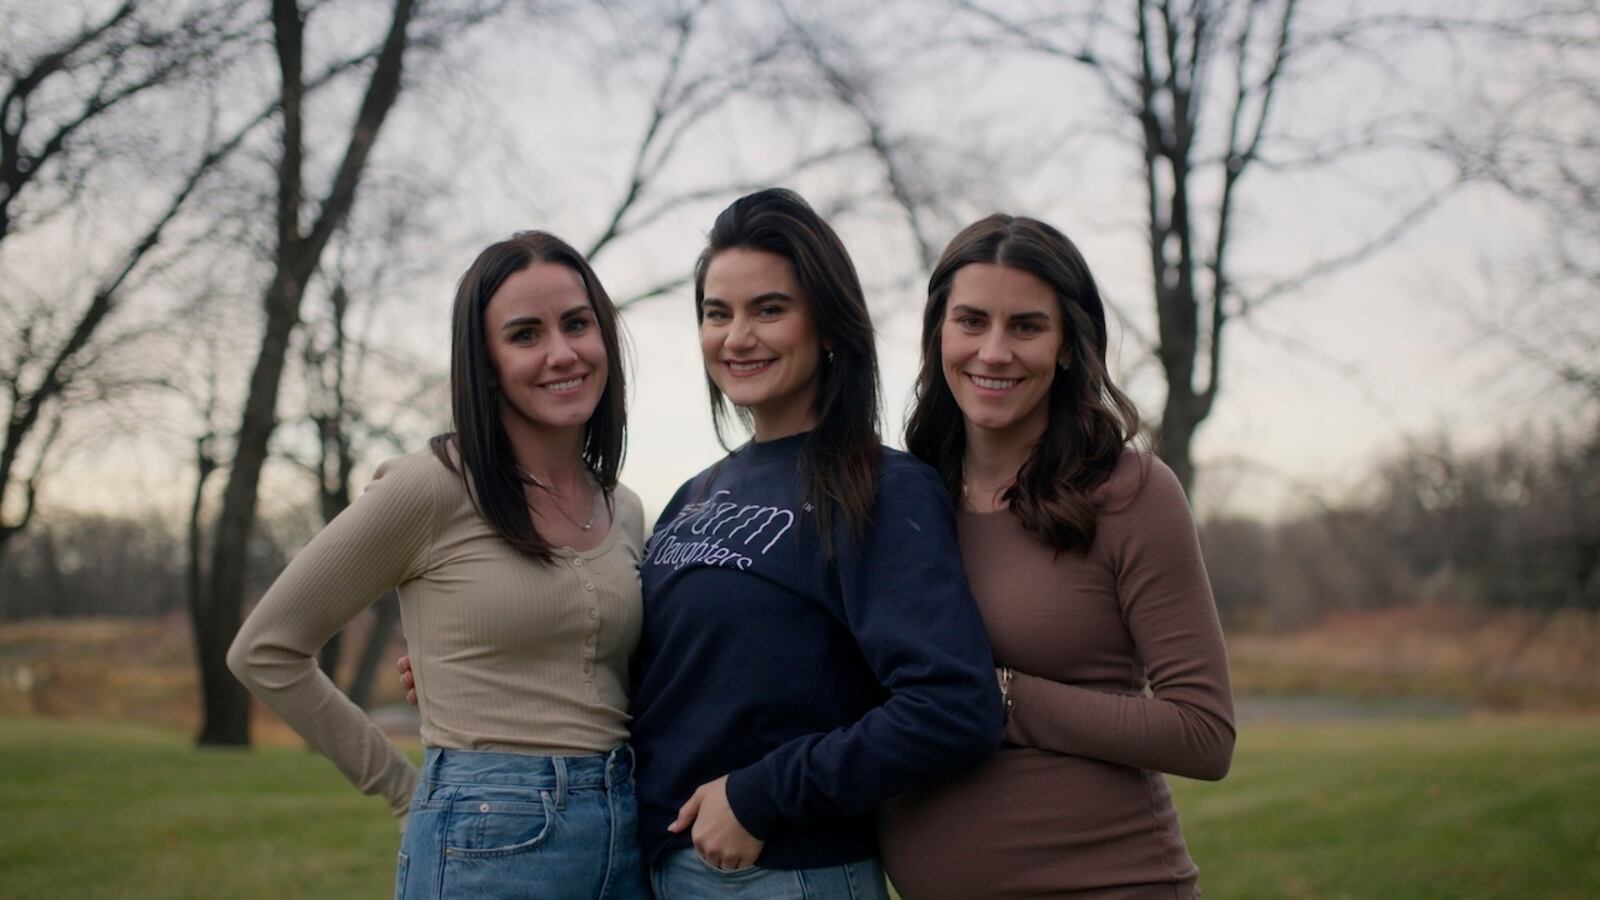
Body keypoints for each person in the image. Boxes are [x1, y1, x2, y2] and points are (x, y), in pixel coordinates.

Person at [228, 231, 651, 900]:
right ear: (484, 363)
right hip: (491, 840)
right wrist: (406, 790)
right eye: (525, 334)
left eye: (577, 324)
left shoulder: (623, 508)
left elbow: (618, 672)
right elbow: (266, 650)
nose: (561, 353)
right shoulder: (431, 488)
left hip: (629, 835)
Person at [627, 188, 1004, 898]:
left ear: (828, 325)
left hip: (780, 874)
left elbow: (953, 706)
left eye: (769, 309)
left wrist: (764, 794)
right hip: (659, 868)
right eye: (718, 313)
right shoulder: (693, 495)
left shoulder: (883, 489)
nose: (737, 336)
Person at [880, 214, 1236, 899]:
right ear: (939, 334)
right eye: (972, 321)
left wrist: (1001, 698)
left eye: (1026, 327)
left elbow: (1203, 732)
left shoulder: (1130, 492)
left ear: (1068, 344)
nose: (993, 351)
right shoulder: (902, 499)